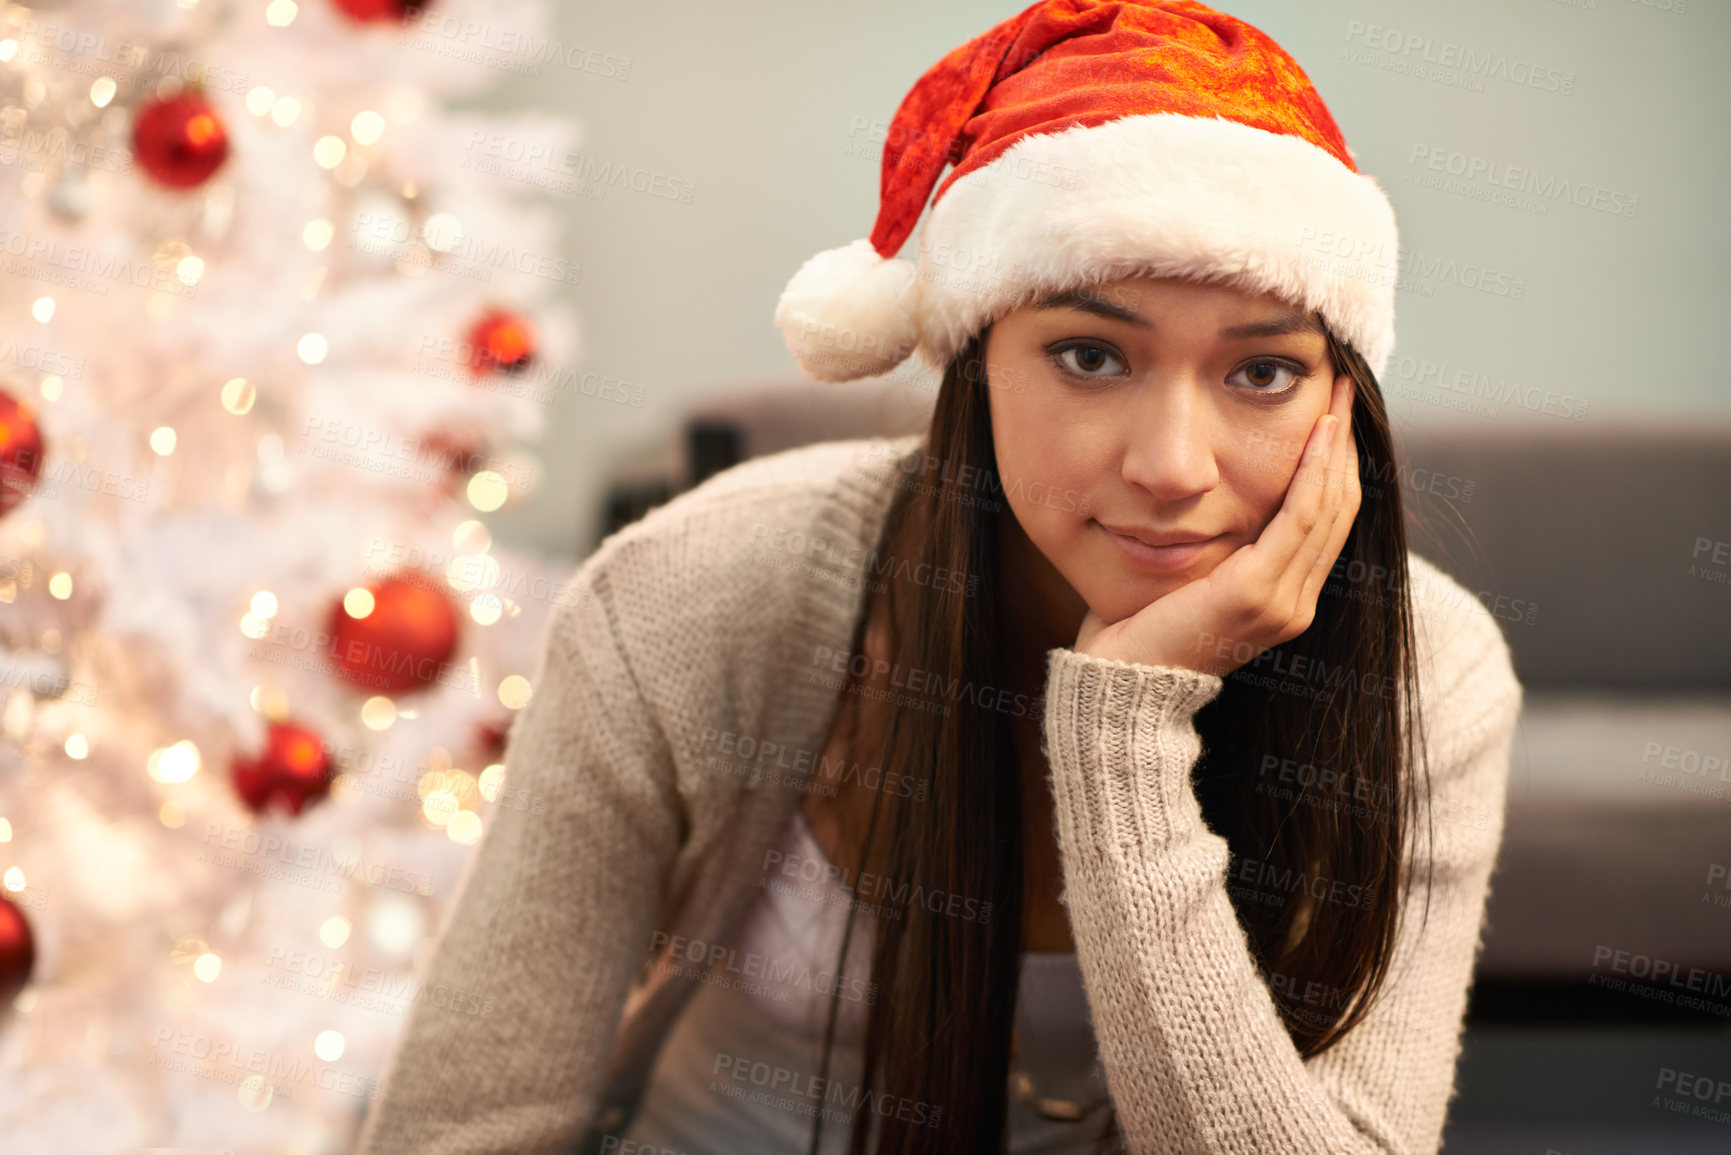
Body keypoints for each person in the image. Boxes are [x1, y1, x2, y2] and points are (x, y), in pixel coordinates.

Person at [353, 3, 1524, 1153]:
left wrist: (1124, 736)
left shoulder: (1436, 673)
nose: (1173, 467)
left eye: (1262, 371)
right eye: (1089, 355)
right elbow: (459, 1130)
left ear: (1341, 405)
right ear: (974, 367)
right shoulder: (692, 592)